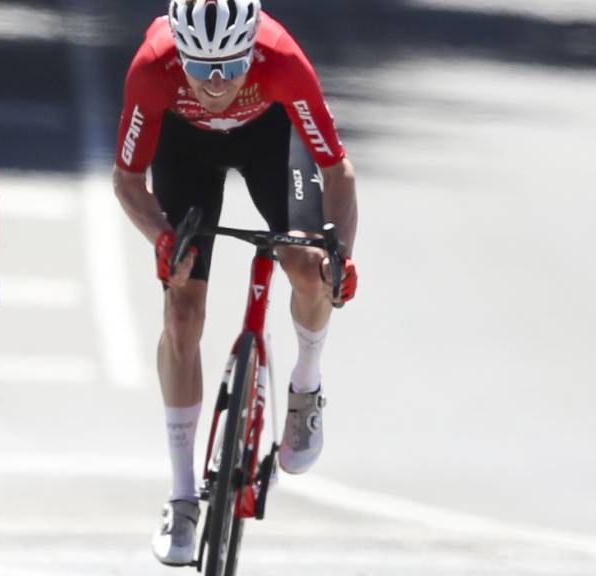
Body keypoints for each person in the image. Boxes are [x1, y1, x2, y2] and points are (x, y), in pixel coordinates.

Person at [112, 0, 359, 566]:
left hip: (271, 138)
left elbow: (337, 171)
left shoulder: (282, 58)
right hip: (184, 148)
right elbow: (126, 179)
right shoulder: (153, 65)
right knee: (181, 313)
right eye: (201, 67)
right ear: (179, 54)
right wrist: (162, 239)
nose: (217, 83)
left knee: (308, 266)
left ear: (253, 48)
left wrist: (339, 255)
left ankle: (306, 384)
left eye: (231, 64)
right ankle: (182, 497)